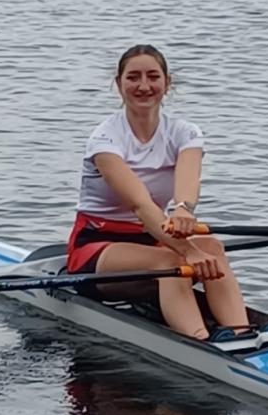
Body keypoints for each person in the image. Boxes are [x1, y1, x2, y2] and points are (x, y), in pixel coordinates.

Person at [66, 44, 250, 341]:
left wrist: (183, 211)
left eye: (153, 77)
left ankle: (241, 334)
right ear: (119, 84)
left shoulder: (185, 132)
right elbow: (140, 205)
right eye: (133, 77)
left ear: (167, 83)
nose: (143, 86)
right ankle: (200, 342)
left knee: (212, 248)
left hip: (155, 238)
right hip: (97, 246)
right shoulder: (104, 139)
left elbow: (187, 186)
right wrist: (188, 250)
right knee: (172, 261)